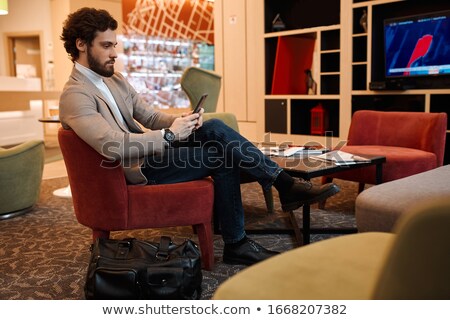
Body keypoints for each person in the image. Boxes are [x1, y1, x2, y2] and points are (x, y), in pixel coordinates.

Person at [59, 7, 340, 266]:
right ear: (81, 45)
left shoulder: (116, 80)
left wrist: (182, 122)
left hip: (151, 154)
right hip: (134, 170)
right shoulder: (75, 95)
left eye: (114, 45)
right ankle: (245, 231)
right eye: (106, 46)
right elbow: (113, 147)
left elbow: (150, 117)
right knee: (221, 156)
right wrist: (170, 135)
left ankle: (281, 186)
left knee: (214, 128)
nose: (114, 53)